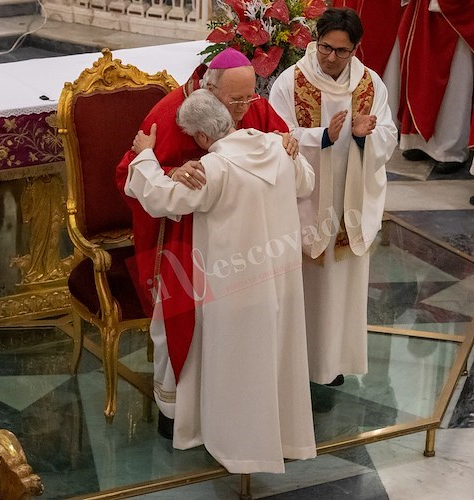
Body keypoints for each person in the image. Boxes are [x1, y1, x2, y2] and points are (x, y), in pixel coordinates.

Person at [123, 89, 316, 474]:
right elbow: (306, 183)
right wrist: (289, 147)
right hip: (277, 278)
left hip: (233, 287)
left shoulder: (215, 168)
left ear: (201, 138)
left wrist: (145, 155)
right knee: (271, 358)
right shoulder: (276, 148)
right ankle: (278, 437)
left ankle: (239, 445)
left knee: (235, 364)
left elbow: (163, 199)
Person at [269, 7, 398, 386]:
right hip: (306, 203)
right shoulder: (290, 82)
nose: (331, 58)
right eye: (325, 47)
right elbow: (277, 137)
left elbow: (388, 137)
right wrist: (321, 136)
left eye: (342, 51)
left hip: (349, 201)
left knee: (341, 285)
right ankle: (297, 363)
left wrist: (363, 135)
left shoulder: (371, 85)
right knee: (307, 287)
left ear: (356, 49)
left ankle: (332, 362)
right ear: (315, 40)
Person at [398, 0, 474, 174]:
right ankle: (417, 140)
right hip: (422, 12)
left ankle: (450, 150)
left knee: (454, 85)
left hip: (452, 22)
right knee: (420, 73)